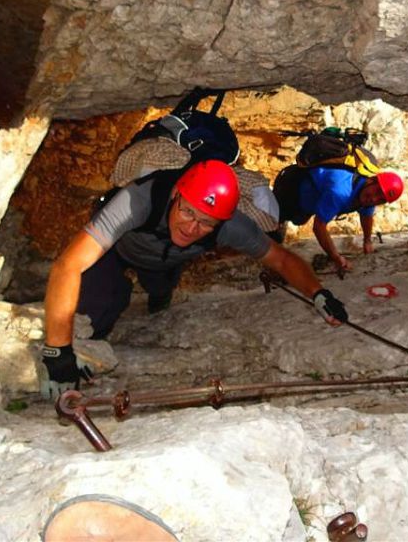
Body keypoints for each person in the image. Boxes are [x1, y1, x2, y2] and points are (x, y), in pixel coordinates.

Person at [40, 159, 348, 400]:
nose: (192, 227)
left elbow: (280, 258)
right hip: (118, 251)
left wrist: (318, 294)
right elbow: (68, 266)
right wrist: (58, 351)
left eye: (206, 223)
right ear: (176, 194)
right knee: (102, 305)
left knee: (159, 290)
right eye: (187, 212)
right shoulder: (137, 199)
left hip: (166, 262)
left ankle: (159, 292)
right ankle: (117, 301)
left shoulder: (230, 226)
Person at [278, 167, 403, 274]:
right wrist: (336, 257)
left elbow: (366, 216)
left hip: (309, 201)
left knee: (297, 220)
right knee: (273, 227)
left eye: (381, 200)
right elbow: (318, 227)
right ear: (371, 180)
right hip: (291, 192)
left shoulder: (366, 191)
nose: (374, 199)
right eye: (377, 192)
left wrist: (367, 241)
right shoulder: (340, 192)